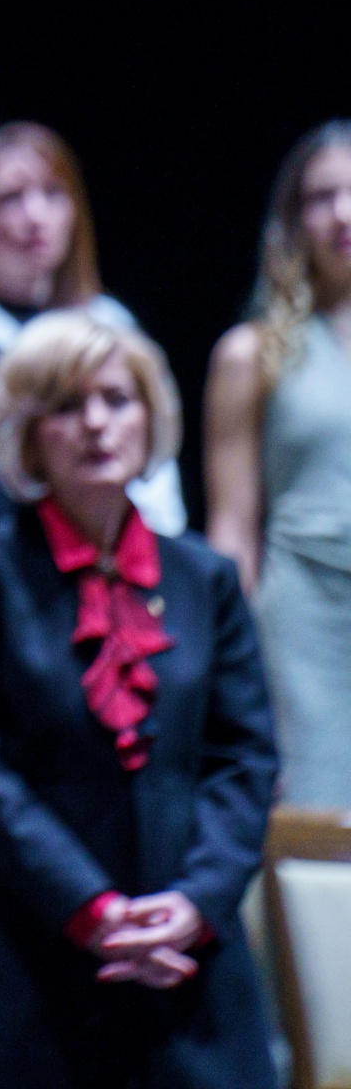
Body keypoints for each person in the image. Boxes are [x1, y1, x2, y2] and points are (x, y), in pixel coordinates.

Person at [0, 310, 278, 1089]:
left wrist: (194, 903)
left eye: (117, 400)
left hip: (186, 960)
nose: (96, 423)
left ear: (150, 418)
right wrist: (89, 907)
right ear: (28, 434)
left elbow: (245, 758)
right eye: (66, 405)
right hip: (27, 959)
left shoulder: (206, 579)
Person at [0, 122, 185, 534]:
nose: (35, 216)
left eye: (53, 194)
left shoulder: (111, 327)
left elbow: (156, 479)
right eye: (10, 198)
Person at [206, 120, 351, 806]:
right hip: (301, 631)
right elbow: (233, 531)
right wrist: (233, 678)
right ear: (294, 220)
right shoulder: (253, 353)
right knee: (309, 824)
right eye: (321, 197)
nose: (342, 213)